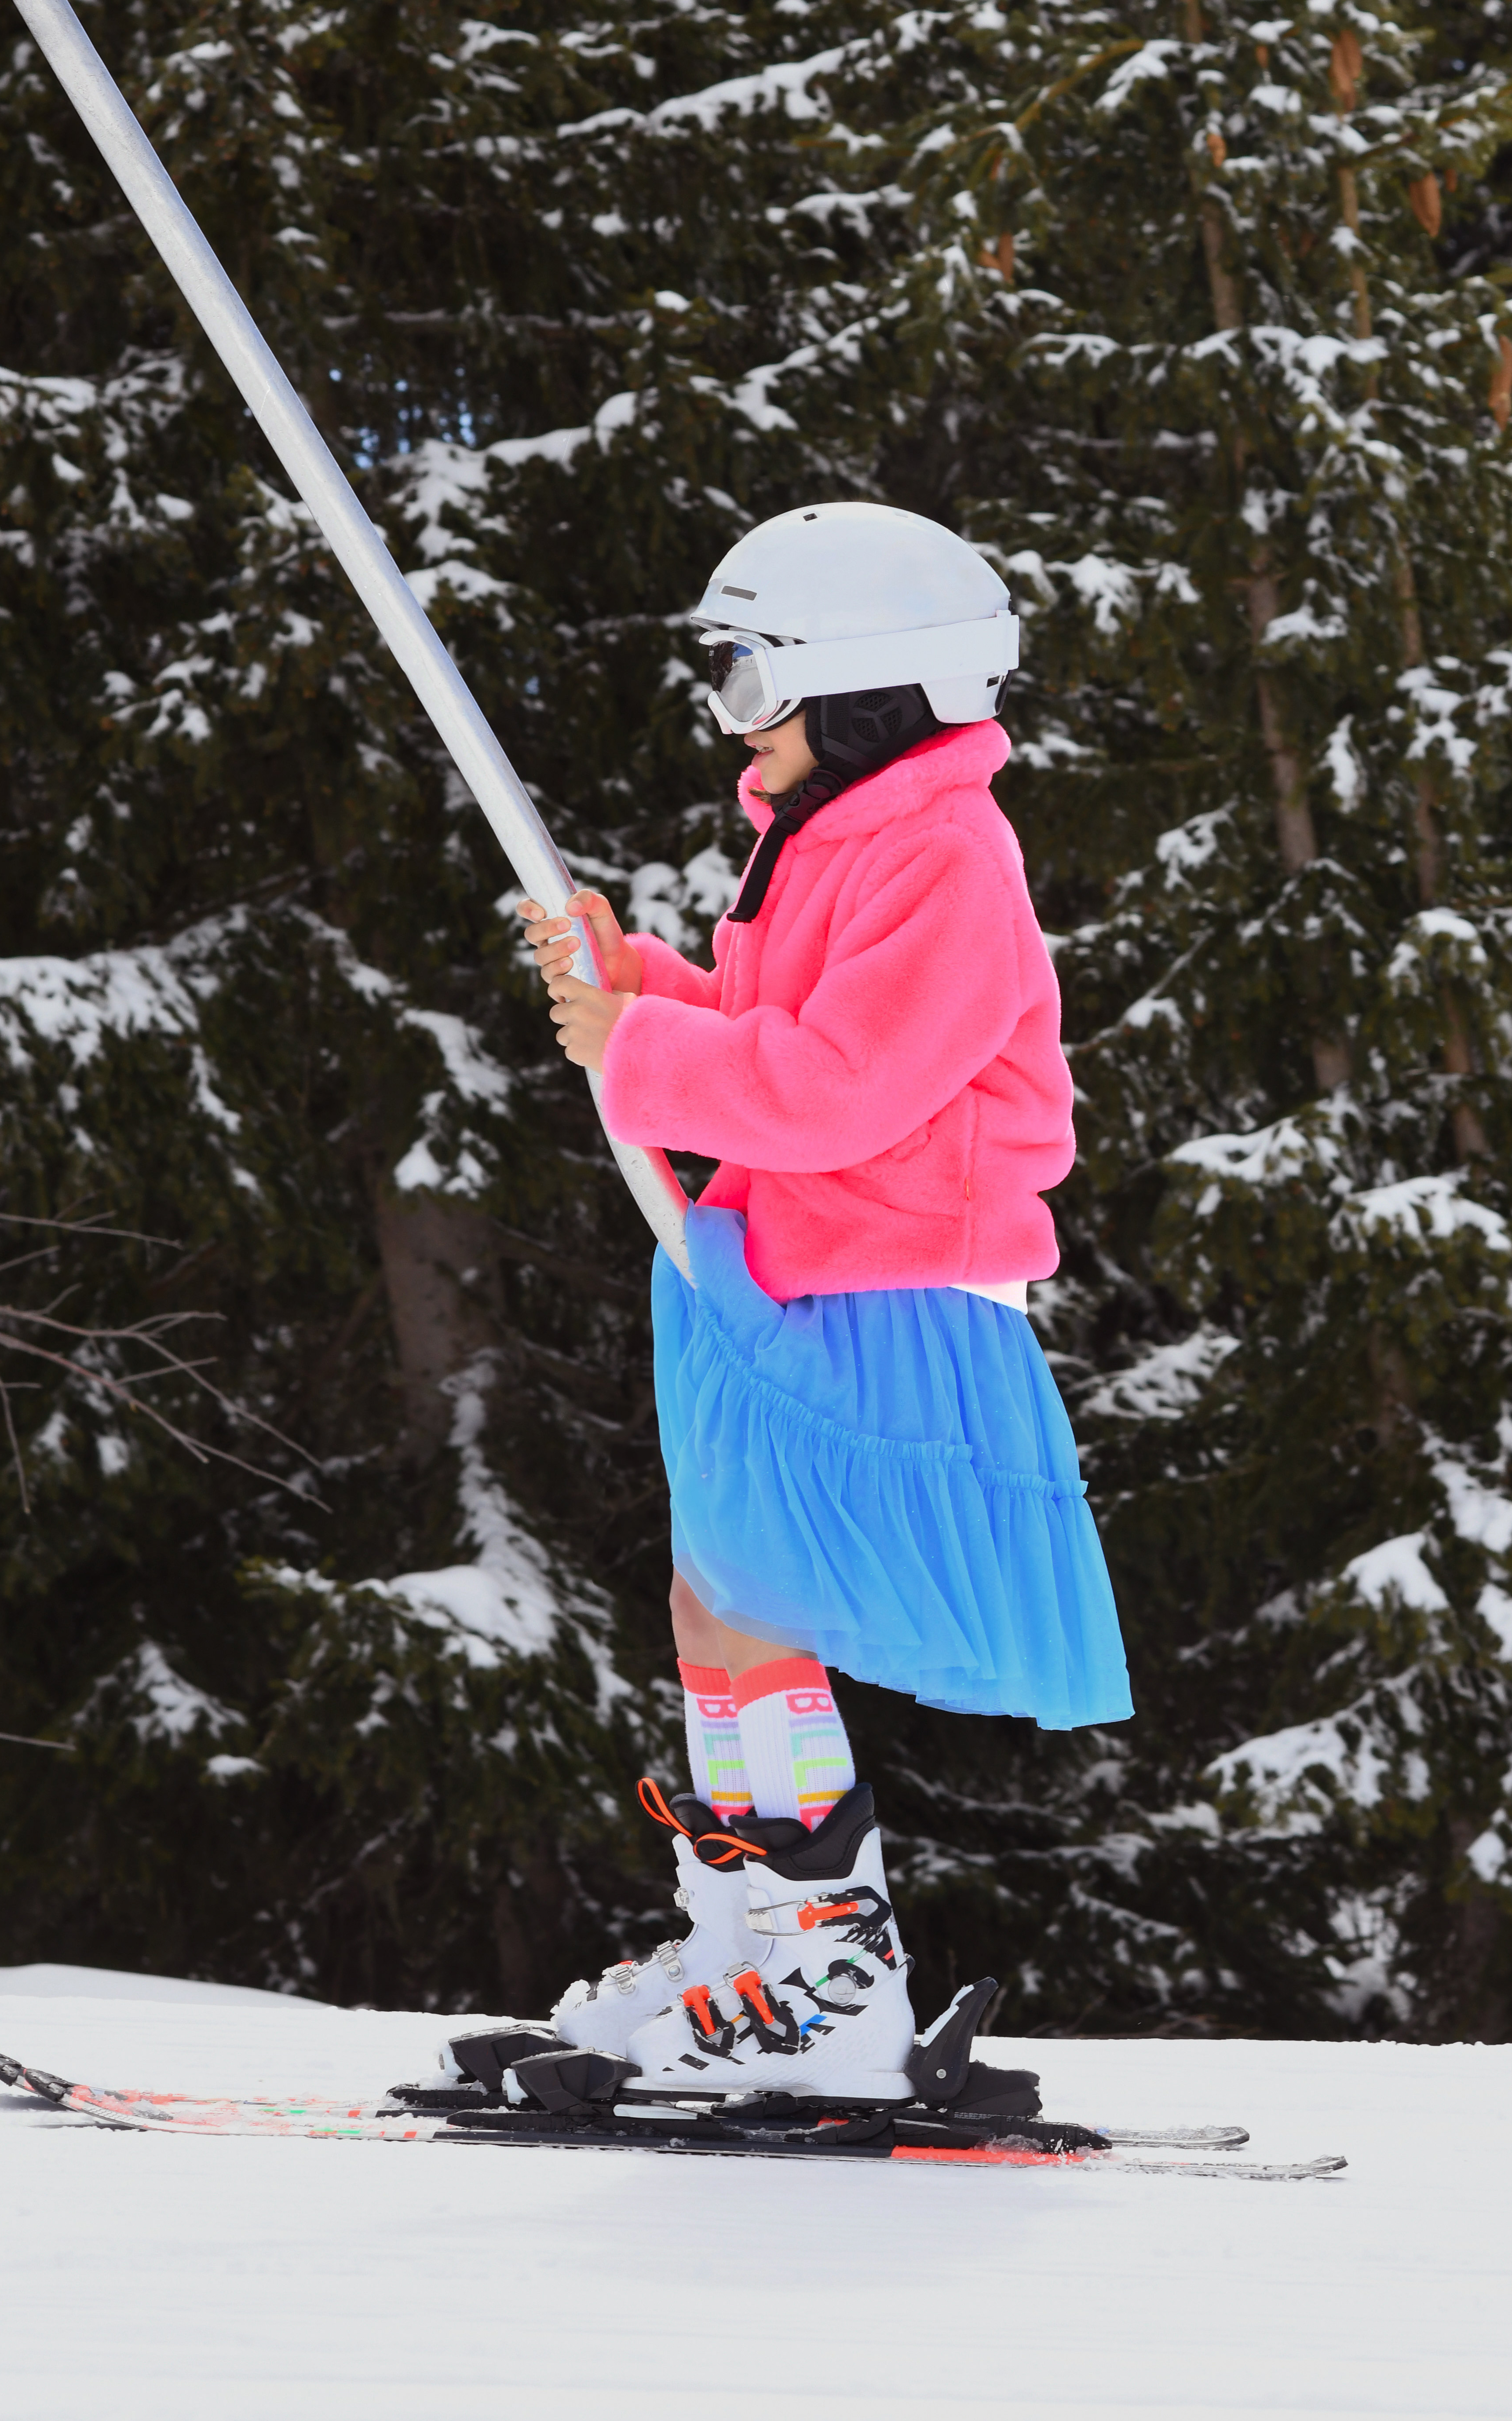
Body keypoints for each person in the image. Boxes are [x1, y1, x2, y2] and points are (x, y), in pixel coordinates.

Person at [515, 501, 1129, 2101]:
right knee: (714, 1604)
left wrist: (638, 1054)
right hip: (797, 1254)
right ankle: (761, 1939)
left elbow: (848, 1088)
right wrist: (644, 985)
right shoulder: (851, 839)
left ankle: (831, 1976)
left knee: (762, 1600)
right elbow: (784, 1029)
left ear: (856, 684)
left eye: (746, 681)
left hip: (891, 1278)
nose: (733, 722)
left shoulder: (945, 855)